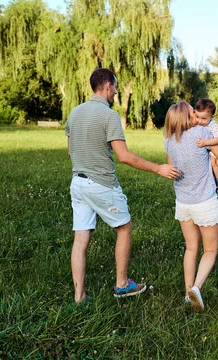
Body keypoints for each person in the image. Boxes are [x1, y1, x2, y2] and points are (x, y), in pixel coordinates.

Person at [65, 68, 180, 304]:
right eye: (115, 87)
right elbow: (124, 156)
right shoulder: (109, 116)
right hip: (101, 183)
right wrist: (158, 168)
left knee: (80, 239)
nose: (116, 92)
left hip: (77, 182)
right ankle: (122, 284)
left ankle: (79, 296)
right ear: (107, 86)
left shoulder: (74, 113)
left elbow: (70, 150)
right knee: (124, 228)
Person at [164, 101, 218, 312]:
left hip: (183, 203)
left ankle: (186, 292)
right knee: (210, 249)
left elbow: (171, 168)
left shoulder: (168, 141)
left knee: (191, 247)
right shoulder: (202, 132)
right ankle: (197, 288)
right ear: (187, 116)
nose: (196, 116)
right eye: (193, 112)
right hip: (204, 202)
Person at [194, 98, 218, 193]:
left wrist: (206, 142)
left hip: (210, 148)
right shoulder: (197, 123)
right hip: (200, 150)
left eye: (203, 118)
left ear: (212, 117)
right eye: (197, 117)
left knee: (213, 162)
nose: (199, 121)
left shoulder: (212, 125)